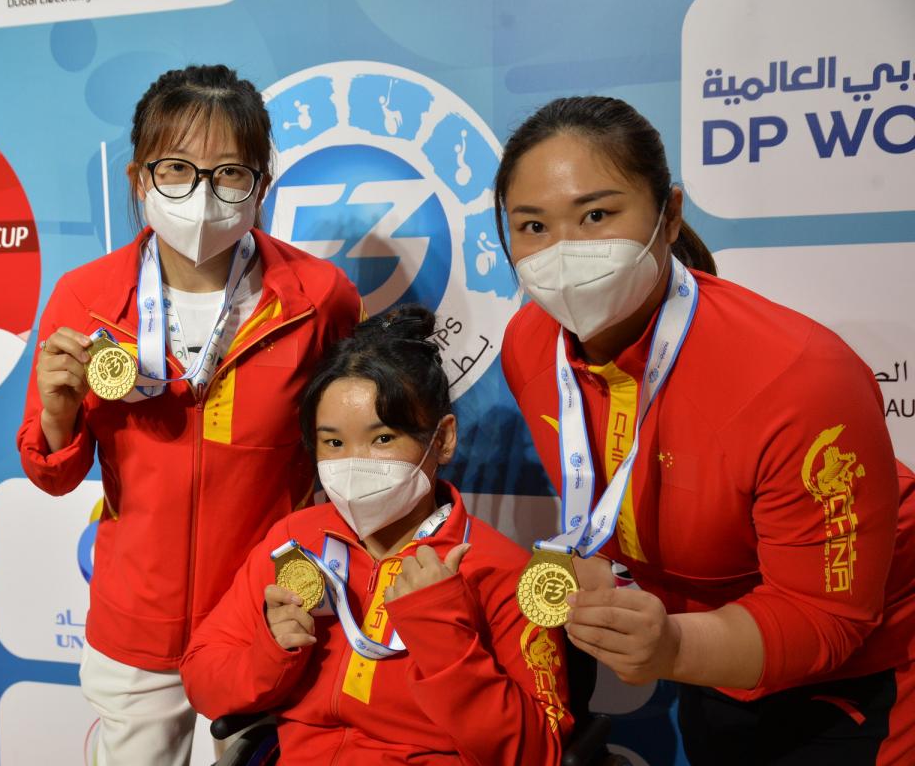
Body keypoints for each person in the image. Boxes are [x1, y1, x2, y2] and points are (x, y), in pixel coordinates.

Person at [495, 95, 915, 764]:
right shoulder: (528, 345)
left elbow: (826, 615)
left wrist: (674, 647)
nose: (562, 252)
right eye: (533, 226)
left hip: (859, 678)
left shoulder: (798, 377)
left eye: (597, 214)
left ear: (670, 216)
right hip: (706, 654)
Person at [16, 64, 362, 766]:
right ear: (140, 176)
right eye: (176, 168)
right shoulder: (85, 297)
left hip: (261, 617)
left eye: (229, 173)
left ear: (261, 185)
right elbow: (55, 474)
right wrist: (57, 413)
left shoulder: (320, 296)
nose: (202, 196)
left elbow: (347, 456)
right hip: (134, 625)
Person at [181, 305, 572, 765]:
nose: (354, 461)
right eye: (333, 442)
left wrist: (445, 640)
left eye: (382, 438)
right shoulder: (294, 541)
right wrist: (270, 653)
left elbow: (537, 754)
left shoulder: (501, 571)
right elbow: (203, 678)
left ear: (443, 439)